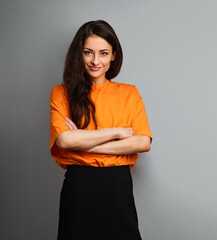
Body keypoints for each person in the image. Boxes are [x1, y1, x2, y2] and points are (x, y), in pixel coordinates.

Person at [50, 20, 152, 240]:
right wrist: (118, 132)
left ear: (114, 55)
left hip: (117, 186)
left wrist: (84, 141)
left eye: (103, 53)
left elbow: (143, 142)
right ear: (79, 54)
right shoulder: (61, 93)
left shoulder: (129, 93)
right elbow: (65, 141)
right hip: (79, 187)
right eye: (88, 52)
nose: (95, 61)